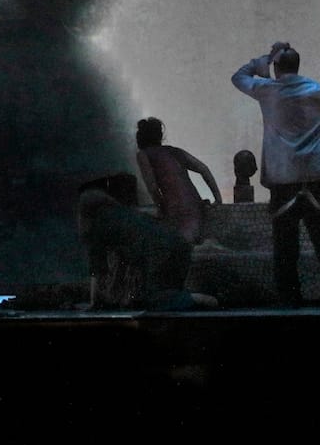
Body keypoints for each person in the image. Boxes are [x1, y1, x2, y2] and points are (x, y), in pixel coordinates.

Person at [232, 41, 320, 308]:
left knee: (285, 249)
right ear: (298, 65)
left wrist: (264, 58)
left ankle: (290, 307)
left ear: (276, 68)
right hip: (317, 178)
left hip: (284, 182)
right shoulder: (318, 91)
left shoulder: (266, 90)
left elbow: (238, 77)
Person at [76, 173, 199, 311]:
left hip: (162, 254)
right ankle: (194, 301)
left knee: (154, 300)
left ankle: (204, 300)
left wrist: (94, 303)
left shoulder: (100, 226)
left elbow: (97, 270)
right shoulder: (125, 216)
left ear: (84, 212)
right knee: (167, 299)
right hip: (179, 248)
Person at [133, 117, 223, 243]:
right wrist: (218, 198)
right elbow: (204, 169)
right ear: (160, 136)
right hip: (196, 206)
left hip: (176, 210)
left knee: (180, 245)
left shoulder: (143, 155)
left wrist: (161, 208)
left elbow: (152, 187)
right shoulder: (174, 151)